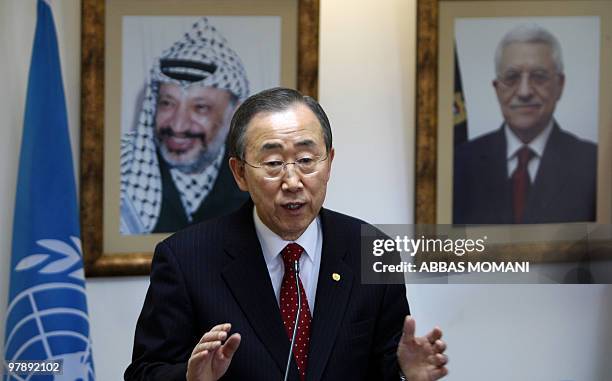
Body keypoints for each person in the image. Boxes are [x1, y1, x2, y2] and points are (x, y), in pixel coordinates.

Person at [125, 88, 449, 380]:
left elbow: (382, 367)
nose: (292, 181)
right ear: (239, 173)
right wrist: (189, 379)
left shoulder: (372, 250)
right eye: (273, 162)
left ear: (329, 163)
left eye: (307, 160)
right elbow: (144, 372)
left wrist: (407, 373)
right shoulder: (186, 258)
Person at [453, 24, 597, 224]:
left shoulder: (594, 164)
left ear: (560, 85)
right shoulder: (459, 163)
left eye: (539, 76)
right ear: (497, 89)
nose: (524, 92)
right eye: (511, 77)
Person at [120, 17, 249, 234]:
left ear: (234, 113)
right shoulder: (122, 168)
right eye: (167, 103)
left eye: (200, 107)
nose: (178, 125)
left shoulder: (260, 176)